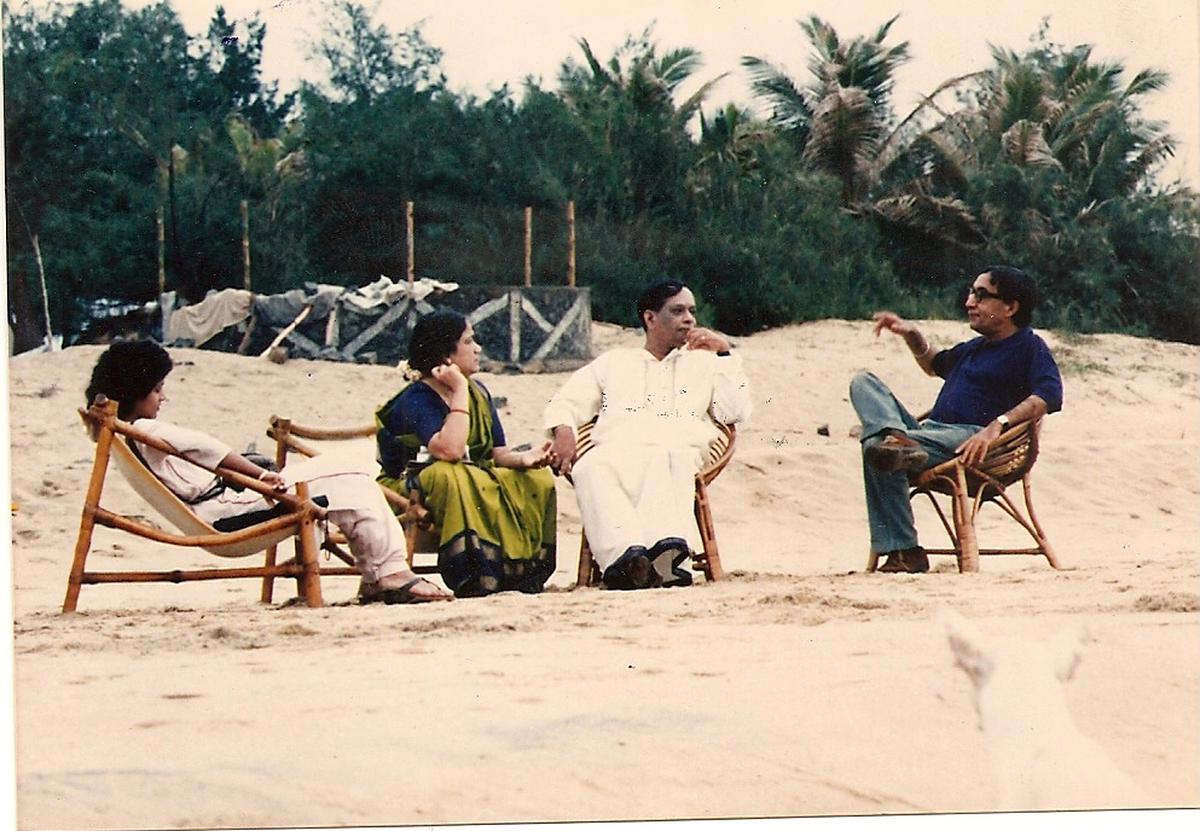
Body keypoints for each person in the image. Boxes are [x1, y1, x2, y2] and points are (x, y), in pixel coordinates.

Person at [84, 340, 453, 603]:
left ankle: (381, 576)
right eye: (157, 389)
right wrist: (260, 477)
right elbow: (208, 448)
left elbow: (203, 455)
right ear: (137, 391)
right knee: (356, 477)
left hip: (229, 503)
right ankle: (389, 574)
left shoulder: (127, 432)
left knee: (353, 473)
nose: (162, 397)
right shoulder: (145, 430)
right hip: (232, 511)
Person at [850, 265, 1064, 574]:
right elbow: (934, 364)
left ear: (1010, 307)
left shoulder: (1029, 347)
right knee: (863, 383)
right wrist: (911, 334)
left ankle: (904, 550)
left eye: (981, 295)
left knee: (876, 446)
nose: (969, 303)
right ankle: (894, 441)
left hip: (973, 442)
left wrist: (997, 426)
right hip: (929, 436)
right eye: (971, 293)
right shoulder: (974, 349)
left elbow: (1049, 395)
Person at [543, 279, 752, 590]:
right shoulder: (615, 362)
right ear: (650, 318)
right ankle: (628, 559)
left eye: (691, 312)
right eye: (678, 311)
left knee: (665, 457)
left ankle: (667, 555)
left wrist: (724, 354)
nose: (690, 320)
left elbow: (734, 412)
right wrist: (563, 431)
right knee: (590, 466)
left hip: (678, 448)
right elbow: (567, 400)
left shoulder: (705, 361)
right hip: (618, 449)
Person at [376, 310, 557, 597]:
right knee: (452, 474)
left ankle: (520, 574)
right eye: (468, 341)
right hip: (409, 489)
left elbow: (496, 453)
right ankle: (474, 572)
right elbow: (450, 450)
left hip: (468, 478)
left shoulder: (480, 392)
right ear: (446, 354)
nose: (478, 348)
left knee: (537, 480)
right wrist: (459, 387)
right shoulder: (417, 398)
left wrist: (525, 459)